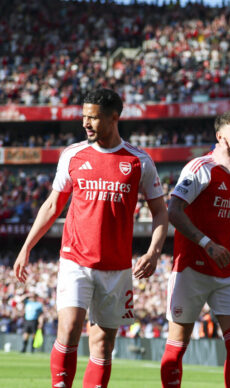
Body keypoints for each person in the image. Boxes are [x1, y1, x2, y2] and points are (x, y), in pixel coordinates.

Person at [13, 88, 168, 388]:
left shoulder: (139, 161)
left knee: (102, 344)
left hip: (117, 266)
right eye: (84, 116)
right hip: (75, 259)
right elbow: (51, 205)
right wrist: (26, 247)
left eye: (93, 118)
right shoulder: (72, 154)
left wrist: (154, 251)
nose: (86, 123)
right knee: (69, 328)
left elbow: (161, 212)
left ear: (114, 118)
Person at [160, 111, 230, 387]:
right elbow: (173, 210)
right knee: (177, 346)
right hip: (191, 268)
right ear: (220, 136)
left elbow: (228, 228)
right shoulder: (200, 167)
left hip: (225, 272)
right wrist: (206, 244)